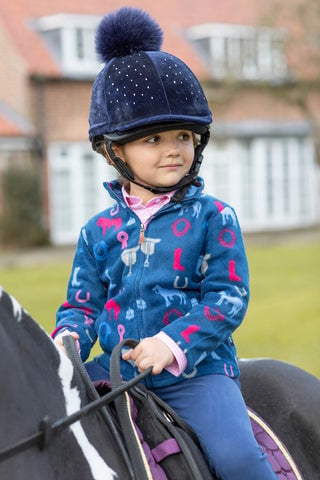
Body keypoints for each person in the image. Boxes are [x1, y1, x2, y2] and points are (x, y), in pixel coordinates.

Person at [52, 7, 277, 480]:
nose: (173, 148)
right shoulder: (96, 231)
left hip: (194, 374)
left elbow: (227, 299)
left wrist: (171, 344)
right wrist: (69, 339)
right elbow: (81, 304)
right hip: (112, 373)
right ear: (115, 150)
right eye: (153, 138)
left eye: (183, 136)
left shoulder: (214, 217)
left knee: (238, 460)